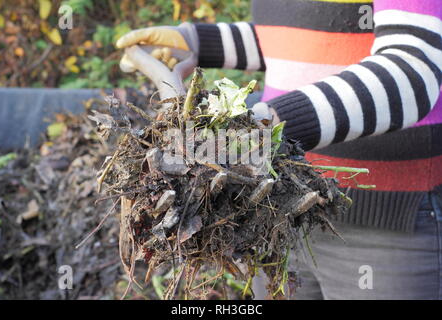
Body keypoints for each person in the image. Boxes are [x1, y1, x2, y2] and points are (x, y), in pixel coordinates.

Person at [116, 0, 442, 299]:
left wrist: (270, 124)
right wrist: (199, 41)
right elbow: (291, 36)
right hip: (279, 204)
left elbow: (412, 71)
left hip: (385, 220)